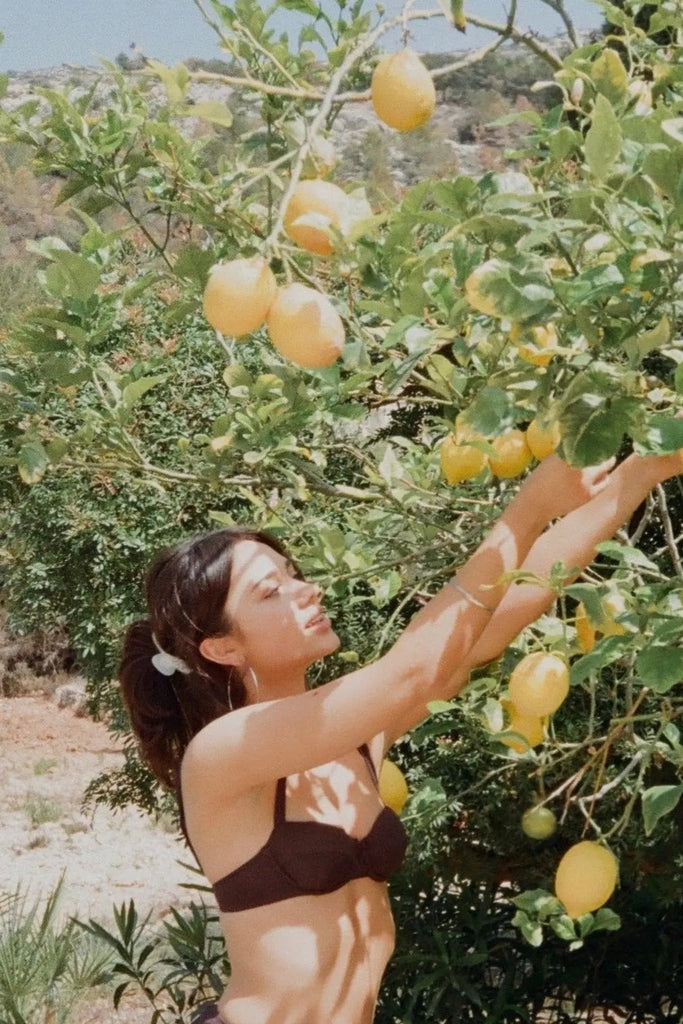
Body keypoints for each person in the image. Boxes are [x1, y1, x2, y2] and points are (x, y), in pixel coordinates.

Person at [119, 448, 681, 1024]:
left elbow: (498, 618)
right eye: (270, 591)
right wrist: (528, 508)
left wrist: (640, 475)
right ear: (222, 648)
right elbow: (417, 669)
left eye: (294, 575)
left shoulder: (358, 735)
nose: (305, 590)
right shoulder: (222, 753)